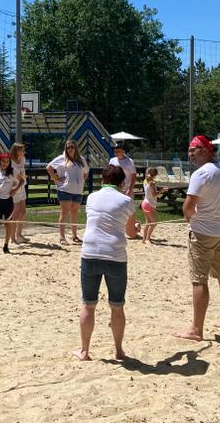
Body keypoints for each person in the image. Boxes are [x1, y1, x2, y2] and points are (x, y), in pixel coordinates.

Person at [174, 136, 220, 341]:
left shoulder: (200, 174)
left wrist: (189, 217)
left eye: (194, 149)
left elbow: (188, 206)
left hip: (202, 233)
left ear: (205, 150)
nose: (191, 153)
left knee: (199, 280)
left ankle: (196, 329)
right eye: (190, 149)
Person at [73, 164, 138, 361]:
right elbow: (130, 233)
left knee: (88, 305)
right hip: (115, 255)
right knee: (117, 306)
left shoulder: (92, 197)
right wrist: (136, 227)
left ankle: (84, 351)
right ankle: (118, 350)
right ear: (121, 182)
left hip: (90, 253)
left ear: (103, 180)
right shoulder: (127, 201)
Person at [47, 139, 90, 246]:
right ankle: (62, 237)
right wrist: (56, 178)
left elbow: (86, 171)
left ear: (76, 148)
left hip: (78, 191)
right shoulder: (62, 158)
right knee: (64, 212)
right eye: (68, 147)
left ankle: (74, 235)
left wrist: (82, 181)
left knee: (75, 212)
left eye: (72, 147)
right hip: (65, 190)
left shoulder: (81, 159)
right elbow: (49, 167)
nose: (70, 149)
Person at [9, 143, 29, 244]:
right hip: (14, 188)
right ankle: (12, 238)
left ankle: (19, 234)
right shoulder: (10, 162)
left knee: (23, 211)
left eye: (23, 150)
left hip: (21, 187)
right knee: (15, 213)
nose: (23, 152)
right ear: (15, 151)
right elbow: (12, 176)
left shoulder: (22, 159)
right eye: (21, 150)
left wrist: (23, 177)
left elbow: (21, 174)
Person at [141, 167, 160, 244]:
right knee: (153, 223)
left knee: (148, 222)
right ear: (155, 175)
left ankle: (144, 239)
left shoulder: (145, 181)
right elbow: (154, 194)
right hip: (149, 204)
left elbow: (150, 192)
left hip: (145, 203)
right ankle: (147, 239)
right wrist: (162, 191)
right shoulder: (152, 183)